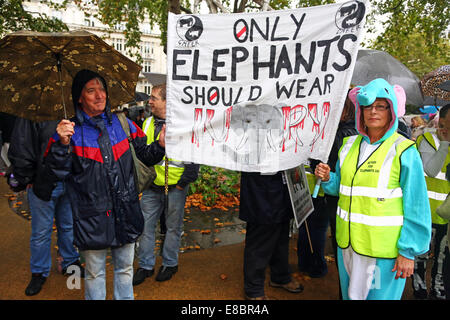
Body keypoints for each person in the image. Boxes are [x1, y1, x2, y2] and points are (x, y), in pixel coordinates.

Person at [44, 69, 165, 300]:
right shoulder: (68, 132)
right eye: (91, 91)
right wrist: (60, 144)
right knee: (95, 274)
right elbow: (54, 174)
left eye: (102, 89)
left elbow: (146, 156)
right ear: (79, 97)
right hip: (91, 217)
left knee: (125, 269)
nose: (100, 95)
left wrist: (160, 146)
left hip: (126, 212)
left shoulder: (123, 123)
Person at [314, 78, 431, 300]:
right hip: (347, 246)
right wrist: (329, 178)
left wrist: (408, 251)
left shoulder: (404, 150)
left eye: (380, 106)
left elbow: (417, 205)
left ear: (392, 110)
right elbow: (341, 189)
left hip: (382, 251)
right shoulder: (348, 146)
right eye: (367, 106)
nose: (372, 112)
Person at [8, 118, 83, 296]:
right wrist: (27, 177)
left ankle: (70, 262)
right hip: (43, 182)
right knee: (41, 231)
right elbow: (21, 147)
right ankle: (39, 272)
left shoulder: (71, 110)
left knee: (67, 225)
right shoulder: (31, 116)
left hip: (69, 181)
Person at [133, 84, 199, 285]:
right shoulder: (147, 122)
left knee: (173, 227)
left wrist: (182, 183)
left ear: (167, 101)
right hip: (153, 188)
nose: (149, 102)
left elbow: (193, 156)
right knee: (145, 227)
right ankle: (145, 265)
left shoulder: (183, 124)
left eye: (154, 98)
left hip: (175, 187)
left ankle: (170, 264)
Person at [240, 171, 304, 300]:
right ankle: (254, 291)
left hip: (283, 185)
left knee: (281, 237)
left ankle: (280, 276)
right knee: (260, 241)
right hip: (261, 190)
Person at [412, 104, 450, 300]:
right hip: (424, 211)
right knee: (421, 255)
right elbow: (431, 170)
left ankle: (438, 290)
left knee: (442, 258)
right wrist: (444, 144)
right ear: (441, 121)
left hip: (446, 215)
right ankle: (419, 289)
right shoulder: (426, 139)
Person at [297, 161, 329, 278]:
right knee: (317, 230)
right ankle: (317, 266)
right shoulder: (324, 144)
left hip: (301, 187)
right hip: (318, 191)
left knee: (304, 227)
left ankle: (303, 263)